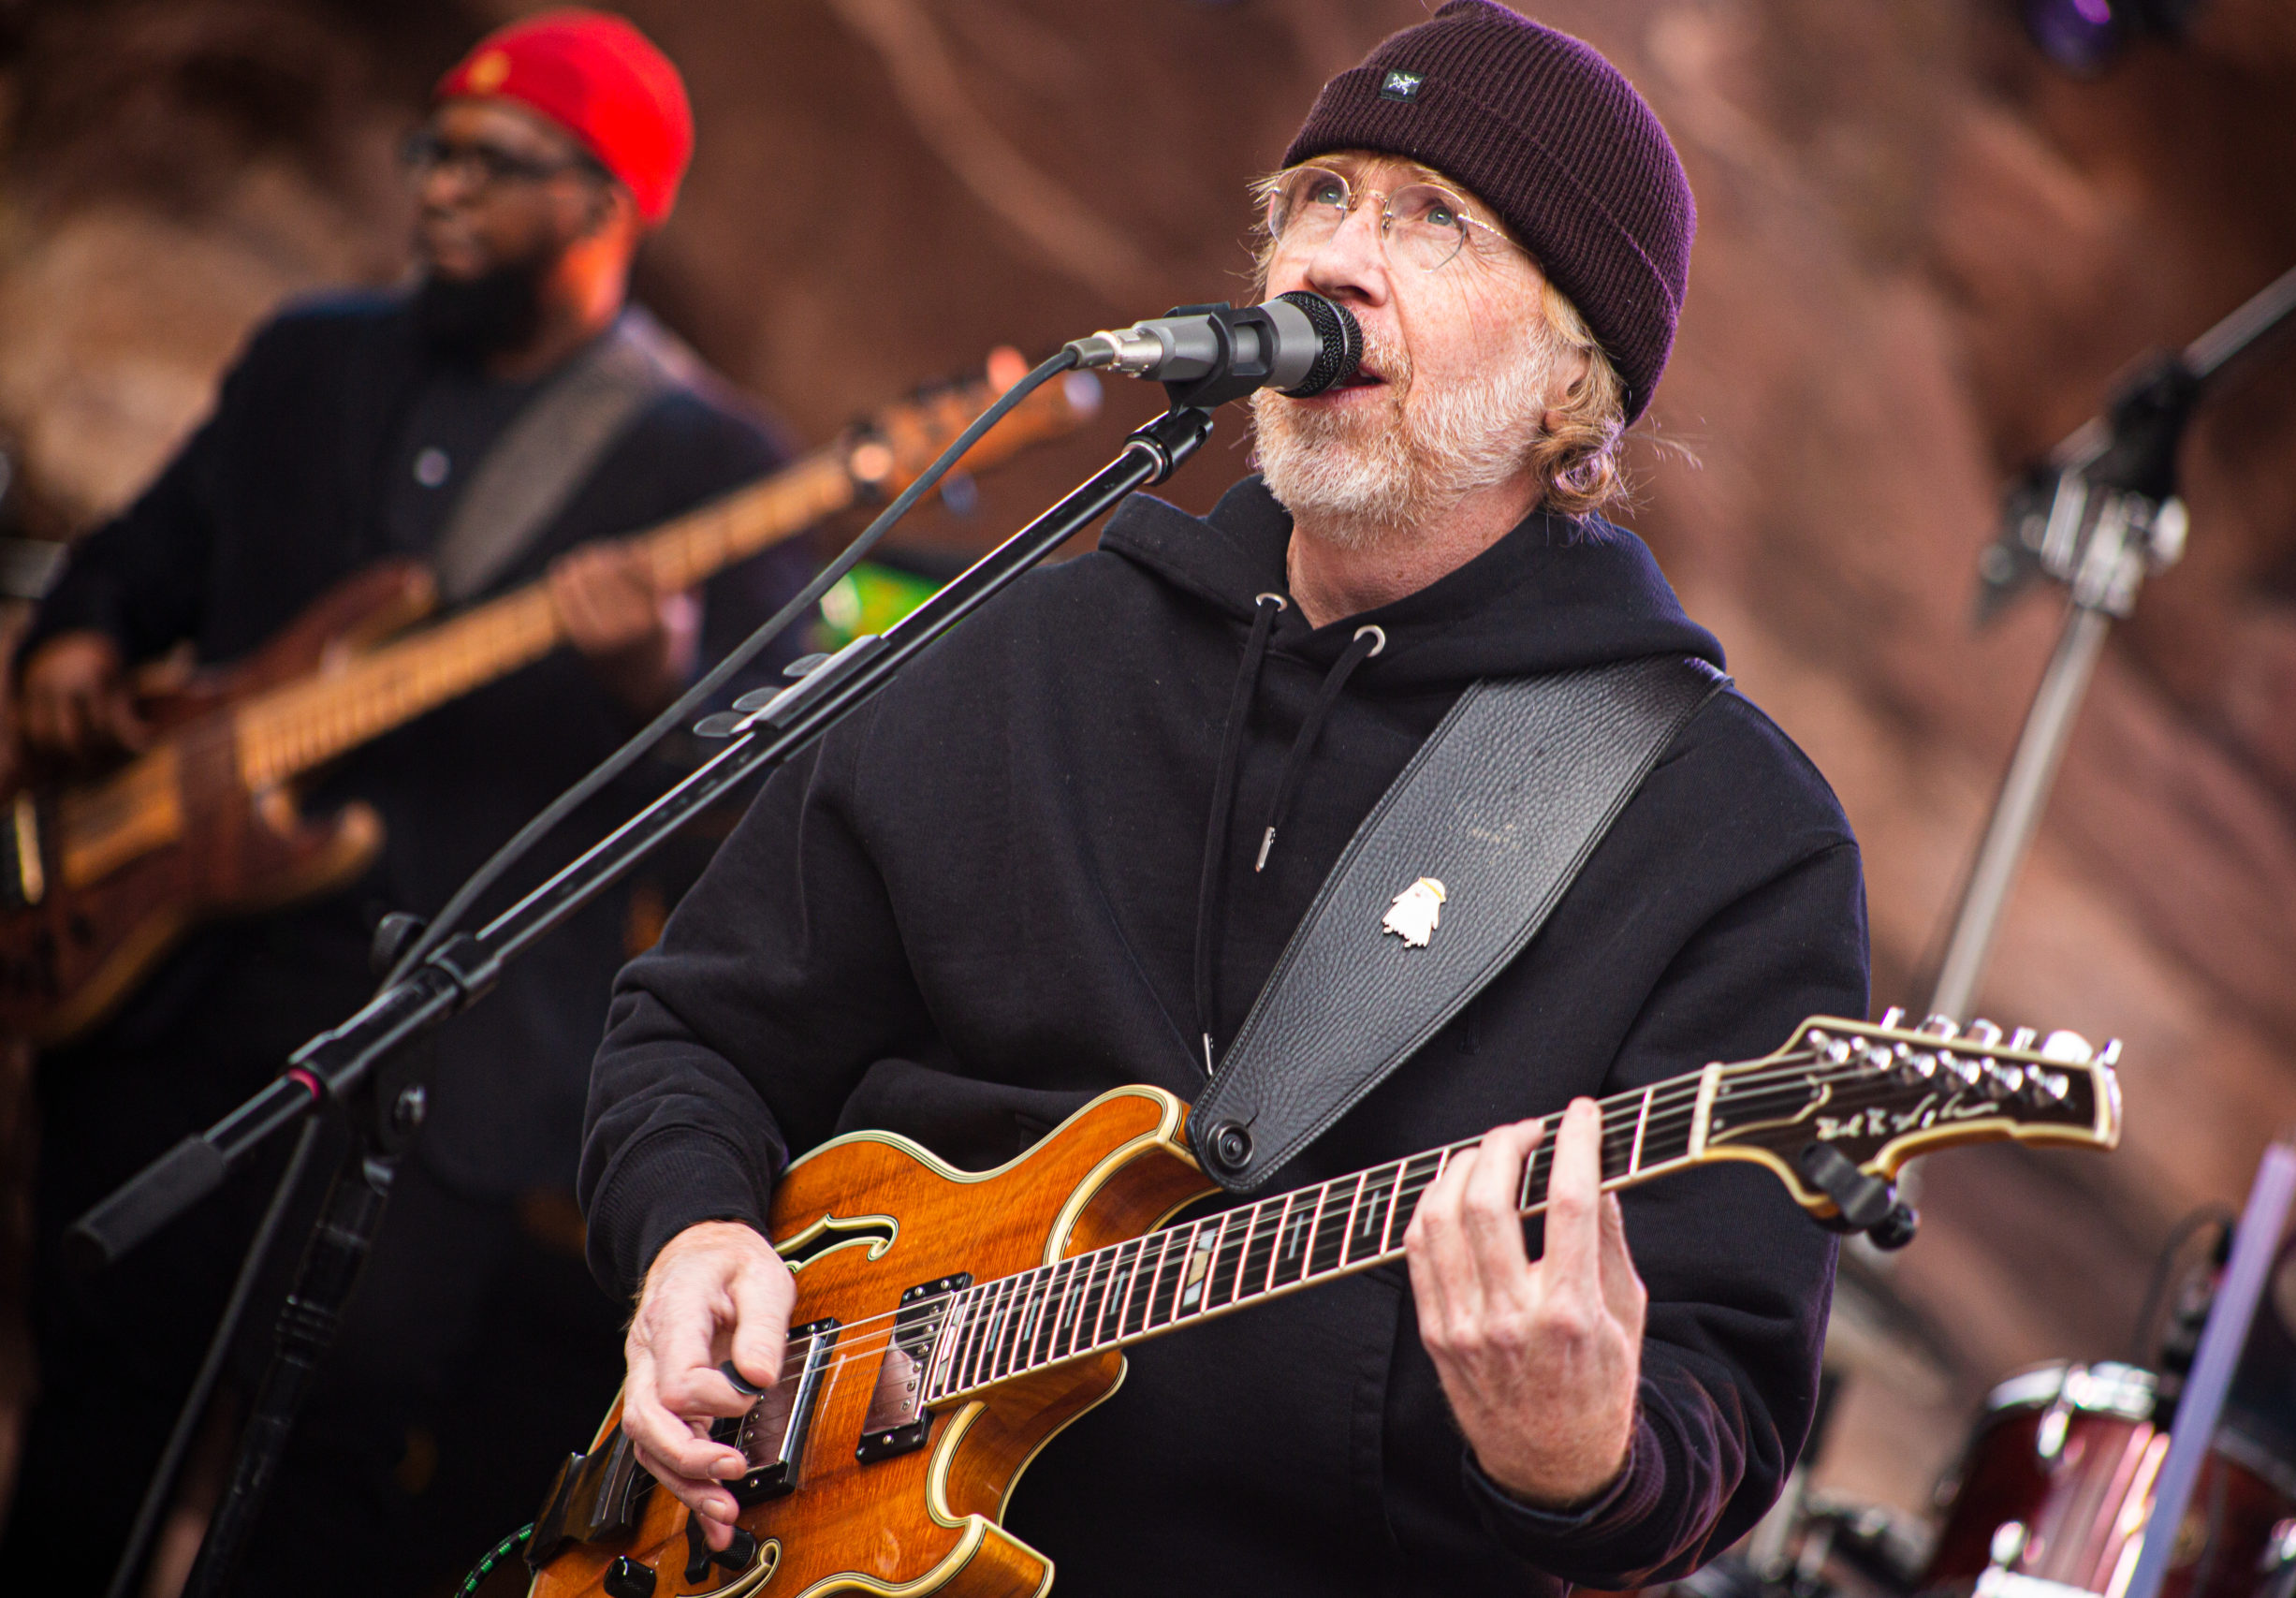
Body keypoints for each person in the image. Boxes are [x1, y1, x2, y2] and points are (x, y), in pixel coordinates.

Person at [581, 4, 1868, 1593]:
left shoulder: (1726, 833)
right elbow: (698, 1031)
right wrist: (691, 1234)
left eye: (1431, 219)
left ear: (1572, 385)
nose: (1333, 255)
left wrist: (1583, 1456)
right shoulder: (1032, 640)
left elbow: (1717, 1413)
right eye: (1317, 197)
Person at [1, 10, 809, 1590]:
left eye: (489, 165)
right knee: (88, 1427)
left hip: (436, 1077)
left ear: (602, 205)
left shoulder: (715, 461)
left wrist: (657, 675)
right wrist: (80, 635)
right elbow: (141, 555)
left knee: (328, 1481)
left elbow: (754, 785)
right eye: (431, 150)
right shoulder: (314, 356)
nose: (437, 186)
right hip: (169, 1006)